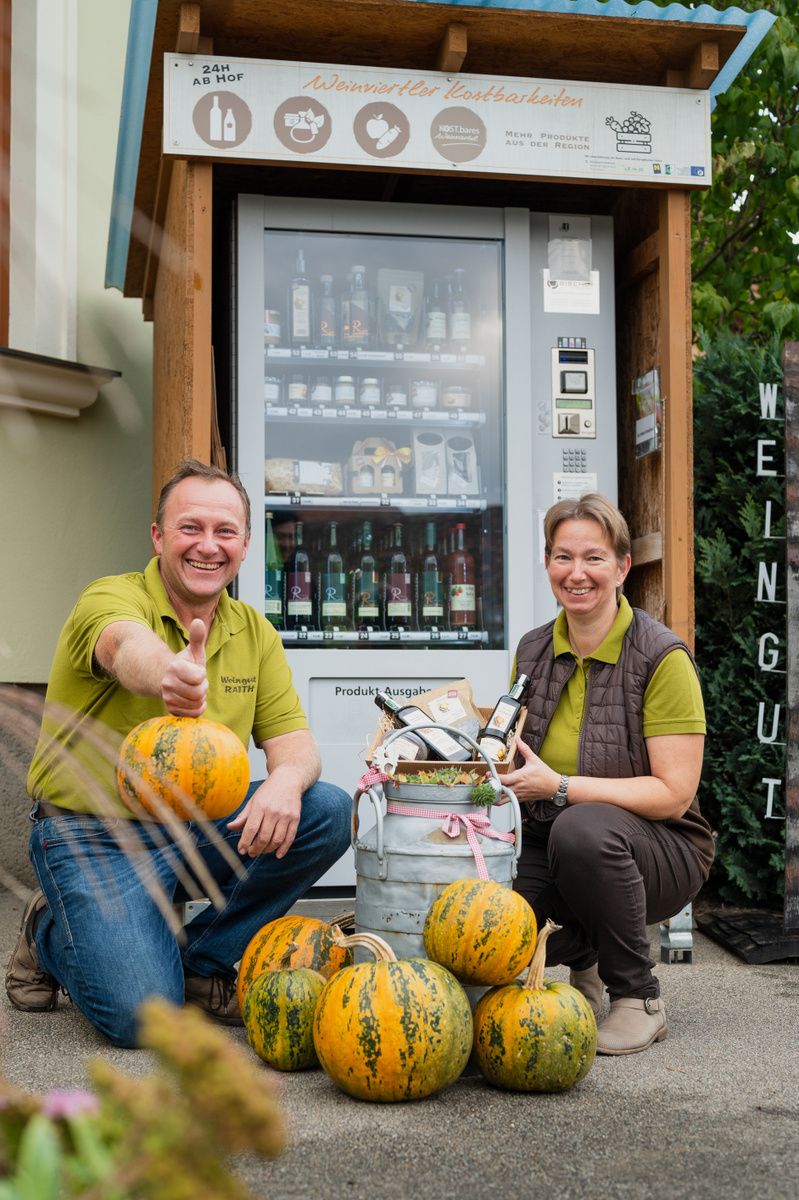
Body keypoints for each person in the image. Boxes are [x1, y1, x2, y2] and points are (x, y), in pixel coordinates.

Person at [5, 459, 351, 1047]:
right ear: (158, 537)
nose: (207, 546)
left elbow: (294, 744)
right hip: (94, 835)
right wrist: (167, 671)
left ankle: (204, 962)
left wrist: (285, 782)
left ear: (244, 546)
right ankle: (48, 928)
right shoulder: (111, 597)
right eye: (190, 528)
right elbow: (122, 645)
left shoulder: (253, 632)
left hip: (196, 825)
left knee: (325, 808)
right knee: (143, 1021)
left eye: (225, 532)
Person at [501, 493, 713, 1055]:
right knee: (491, 910)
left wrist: (562, 788)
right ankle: (586, 960)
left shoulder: (662, 658)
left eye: (594, 558)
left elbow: (674, 794)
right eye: (562, 557)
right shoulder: (531, 650)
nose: (577, 574)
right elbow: (516, 754)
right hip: (551, 838)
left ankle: (638, 997)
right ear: (547, 564)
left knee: (584, 828)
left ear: (622, 567)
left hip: (660, 850)